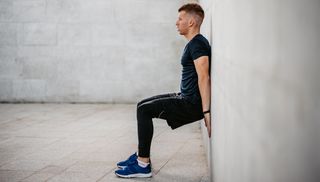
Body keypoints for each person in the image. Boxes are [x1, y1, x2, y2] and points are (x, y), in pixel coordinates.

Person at [115, 3, 211, 178]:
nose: (176, 23)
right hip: (186, 97)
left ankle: (143, 164)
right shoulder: (195, 43)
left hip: (190, 103)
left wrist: (206, 111)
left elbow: (204, 77)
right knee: (142, 105)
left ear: (191, 22)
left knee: (144, 110)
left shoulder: (198, 44)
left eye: (180, 19)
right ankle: (140, 156)